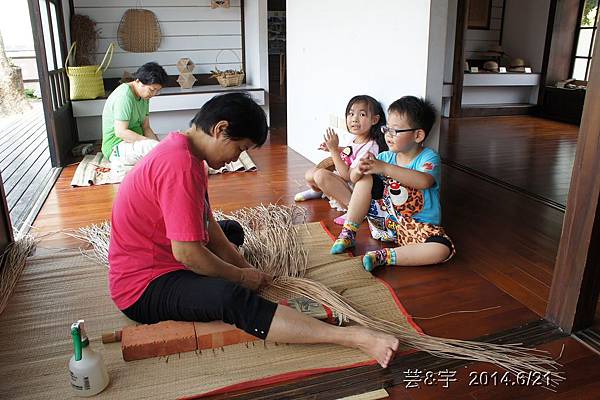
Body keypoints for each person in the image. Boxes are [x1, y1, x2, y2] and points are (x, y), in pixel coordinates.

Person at [108, 92, 400, 368]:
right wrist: (241, 277)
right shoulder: (179, 164)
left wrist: (246, 267)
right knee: (229, 296)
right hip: (142, 287)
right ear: (221, 129)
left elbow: (207, 223)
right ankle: (354, 337)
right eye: (240, 148)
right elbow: (187, 253)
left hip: (161, 251)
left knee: (231, 231)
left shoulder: (186, 152)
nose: (237, 158)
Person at [330, 96, 455, 271]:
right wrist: (361, 169)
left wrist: (385, 168)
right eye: (386, 128)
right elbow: (352, 177)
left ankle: (384, 256)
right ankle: (349, 232)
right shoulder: (385, 157)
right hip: (386, 222)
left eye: (395, 130)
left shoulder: (428, 157)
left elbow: (424, 181)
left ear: (418, 135)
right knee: (366, 177)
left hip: (417, 227)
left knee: (442, 249)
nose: (388, 135)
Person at [294, 95, 387, 225]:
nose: (354, 119)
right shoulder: (357, 138)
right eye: (351, 114)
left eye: (362, 115)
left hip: (355, 191)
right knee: (310, 173)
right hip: (343, 181)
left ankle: (354, 209)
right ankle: (319, 191)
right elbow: (351, 151)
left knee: (320, 175)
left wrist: (333, 151)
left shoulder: (371, 148)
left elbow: (348, 175)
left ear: (375, 120)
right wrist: (337, 148)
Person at [101, 62, 168, 175]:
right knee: (158, 148)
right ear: (138, 81)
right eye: (152, 90)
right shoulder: (124, 97)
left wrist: (156, 145)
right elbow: (121, 132)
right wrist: (151, 144)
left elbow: (146, 127)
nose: (154, 94)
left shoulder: (144, 96)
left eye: (157, 90)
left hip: (137, 142)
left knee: (171, 140)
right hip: (117, 147)